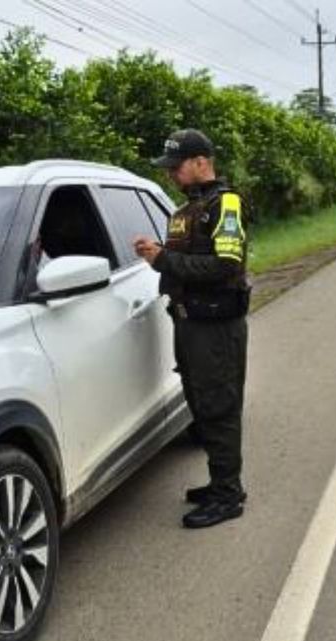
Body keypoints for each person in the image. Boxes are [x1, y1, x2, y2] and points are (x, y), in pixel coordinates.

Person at [133, 129, 250, 529]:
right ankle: (221, 483)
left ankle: (228, 494)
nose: (171, 175)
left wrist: (162, 259)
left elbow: (225, 266)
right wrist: (160, 256)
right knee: (201, 406)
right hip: (190, 323)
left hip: (217, 326)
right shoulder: (187, 210)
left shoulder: (226, 204)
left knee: (219, 408)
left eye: (176, 166)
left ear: (201, 162)